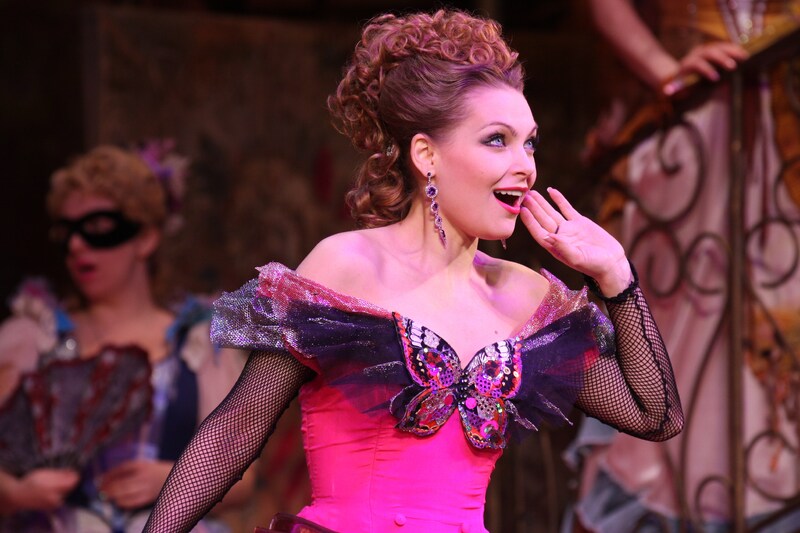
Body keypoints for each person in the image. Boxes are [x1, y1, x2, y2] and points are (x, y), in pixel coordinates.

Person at [142, 9, 684, 533]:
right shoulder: (346, 266)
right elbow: (235, 433)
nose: (525, 165)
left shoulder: (524, 295)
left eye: (530, 143)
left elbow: (656, 417)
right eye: (497, 139)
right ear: (426, 154)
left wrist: (616, 275)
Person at [569, 0, 800, 531]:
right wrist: (664, 69)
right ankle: (686, 500)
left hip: (785, 127)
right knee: (685, 326)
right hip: (694, 131)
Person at [0, 144, 254, 532]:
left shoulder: (199, 343)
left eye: (98, 229)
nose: (76, 245)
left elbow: (242, 477)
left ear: (146, 238)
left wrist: (174, 477)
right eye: (66, 232)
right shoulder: (33, 338)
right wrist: (16, 493)